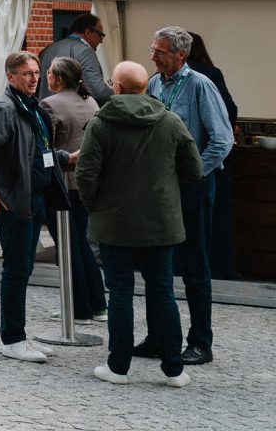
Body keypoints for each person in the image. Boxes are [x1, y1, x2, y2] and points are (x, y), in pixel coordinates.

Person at [76, 60, 201, 388]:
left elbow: (85, 175)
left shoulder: (101, 124)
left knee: (119, 293)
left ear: (116, 87)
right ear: (146, 87)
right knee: (162, 292)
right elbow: (194, 169)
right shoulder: (171, 121)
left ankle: (118, 367)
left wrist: (97, 207)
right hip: (160, 223)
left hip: (114, 223)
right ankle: (174, 369)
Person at [0, 50, 69, 363]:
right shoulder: (5, 109)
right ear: (11, 77)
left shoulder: (31, 107)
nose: (34, 79)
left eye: (36, 73)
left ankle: (19, 335)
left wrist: (62, 160)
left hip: (34, 196)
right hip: (14, 201)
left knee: (24, 268)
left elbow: (35, 152)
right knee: (17, 269)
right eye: (27, 74)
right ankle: (12, 339)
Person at [139, 25, 233, 366]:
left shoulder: (201, 86)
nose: (152, 56)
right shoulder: (153, 82)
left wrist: (192, 173)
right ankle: (158, 336)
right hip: (160, 185)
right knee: (155, 261)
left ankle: (200, 342)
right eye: (153, 50)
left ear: (181, 55)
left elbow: (222, 141)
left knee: (194, 263)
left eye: (159, 52)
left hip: (191, 185)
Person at [39, 57, 107, 322]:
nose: (46, 77)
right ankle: (98, 303)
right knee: (83, 243)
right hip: (86, 183)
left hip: (63, 183)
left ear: (58, 78)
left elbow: (45, 146)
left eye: (48, 73)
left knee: (68, 246)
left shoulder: (49, 104)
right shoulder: (91, 101)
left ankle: (78, 305)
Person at [186, 32, 237, 281]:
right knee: (214, 219)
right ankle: (215, 269)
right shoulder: (210, 73)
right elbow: (230, 112)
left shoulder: (198, 78)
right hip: (209, 162)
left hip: (197, 162)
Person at [38, 13, 110, 105]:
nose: (101, 41)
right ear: (87, 32)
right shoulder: (85, 52)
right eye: (100, 35)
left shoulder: (47, 50)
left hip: (45, 114)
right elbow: (99, 91)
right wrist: (118, 93)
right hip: (71, 115)